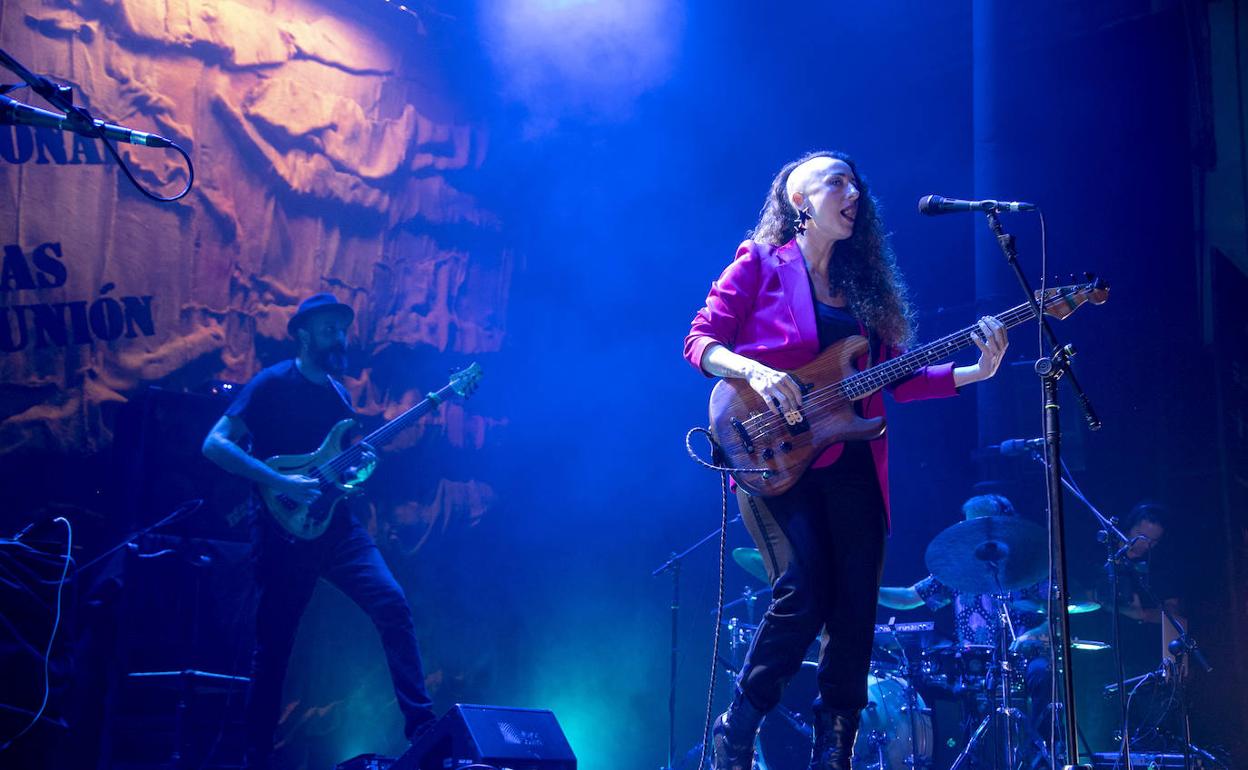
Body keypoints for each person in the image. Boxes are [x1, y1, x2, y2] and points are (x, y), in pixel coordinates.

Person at [683, 151, 1009, 770]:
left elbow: (901, 378)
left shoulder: (864, 291)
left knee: (856, 609)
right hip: (772, 452)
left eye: (856, 182)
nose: (852, 190)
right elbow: (700, 339)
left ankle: (833, 756)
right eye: (837, 181)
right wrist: (754, 367)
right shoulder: (759, 263)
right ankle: (738, 724)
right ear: (798, 200)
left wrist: (976, 369)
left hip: (853, 461)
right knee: (805, 592)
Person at [202, 293, 435, 769]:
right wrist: (281, 481)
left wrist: (360, 471)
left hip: (335, 528)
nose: (339, 339)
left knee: (391, 602)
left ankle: (424, 728)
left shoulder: (339, 394)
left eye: (343, 330)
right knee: (274, 649)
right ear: (304, 334)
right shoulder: (270, 384)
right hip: (281, 531)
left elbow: (337, 470)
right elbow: (214, 444)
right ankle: (254, 759)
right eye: (329, 329)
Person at [878, 494, 1053, 767]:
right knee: (921, 683)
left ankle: (1042, 757)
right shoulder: (956, 572)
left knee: (1043, 674)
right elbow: (910, 597)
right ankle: (944, 758)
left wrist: (1033, 635)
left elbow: (1055, 615)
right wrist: (870, 590)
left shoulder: (1025, 566)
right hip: (974, 665)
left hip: (1023, 659)